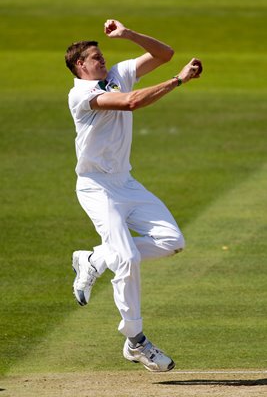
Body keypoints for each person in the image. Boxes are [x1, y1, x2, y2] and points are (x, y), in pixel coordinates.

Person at [65, 19, 202, 372]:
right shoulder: (81, 94)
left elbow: (165, 53)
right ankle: (136, 342)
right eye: (96, 58)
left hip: (125, 182)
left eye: (103, 55)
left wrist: (128, 35)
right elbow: (130, 103)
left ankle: (95, 258)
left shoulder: (118, 72)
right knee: (127, 258)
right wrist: (178, 81)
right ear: (81, 65)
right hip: (97, 187)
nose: (104, 61)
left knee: (172, 240)